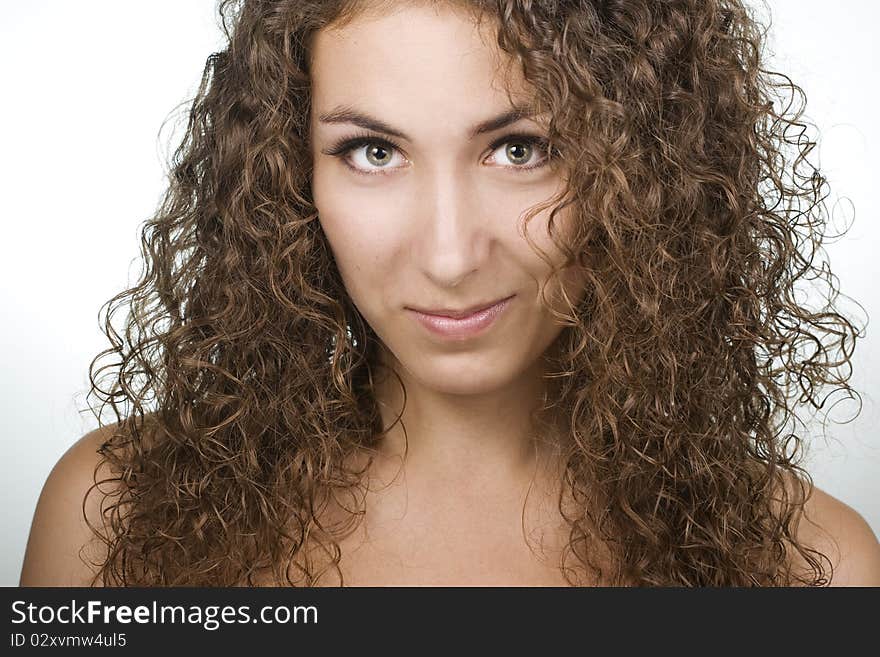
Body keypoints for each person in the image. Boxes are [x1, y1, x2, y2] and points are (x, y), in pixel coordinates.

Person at [19, 0, 880, 587]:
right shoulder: (115, 519)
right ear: (288, 175)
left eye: (520, 148)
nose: (447, 253)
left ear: (646, 167)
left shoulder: (811, 569)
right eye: (374, 152)